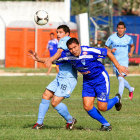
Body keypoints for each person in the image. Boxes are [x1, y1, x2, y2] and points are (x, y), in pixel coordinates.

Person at [56, 37, 128, 131]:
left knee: (102, 107)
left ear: (79, 45)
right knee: (87, 106)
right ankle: (106, 124)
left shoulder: (89, 51)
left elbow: (107, 52)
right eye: (70, 48)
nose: (73, 50)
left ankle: (117, 99)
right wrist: (41, 59)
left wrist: (118, 66)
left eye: (75, 47)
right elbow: (53, 58)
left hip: (100, 79)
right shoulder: (67, 55)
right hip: (88, 81)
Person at [29, 25, 77, 130]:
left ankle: (70, 120)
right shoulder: (65, 45)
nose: (58, 34)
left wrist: (50, 60)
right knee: (46, 95)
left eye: (60, 32)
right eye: (57, 32)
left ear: (67, 34)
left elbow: (57, 54)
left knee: (55, 102)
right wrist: (38, 59)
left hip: (68, 79)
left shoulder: (66, 41)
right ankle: (39, 123)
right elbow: (55, 58)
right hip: (60, 77)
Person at [105, 21, 135, 100]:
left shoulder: (128, 38)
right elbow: (105, 48)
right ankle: (130, 89)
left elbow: (132, 46)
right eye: (119, 28)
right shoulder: (112, 37)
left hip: (124, 61)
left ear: (125, 29)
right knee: (120, 79)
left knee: (121, 78)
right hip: (115, 61)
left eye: (122, 28)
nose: (120, 30)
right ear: (117, 29)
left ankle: (119, 98)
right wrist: (111, 50)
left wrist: (131, 52)